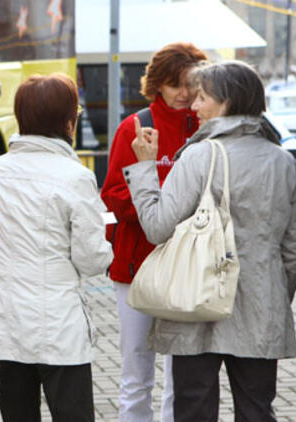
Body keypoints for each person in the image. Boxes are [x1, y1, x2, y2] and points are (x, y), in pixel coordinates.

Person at [126, 60, 296, 421]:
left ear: (228, 102)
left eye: (203, 97)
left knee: (193, 409)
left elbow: (158, 227)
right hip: (262, 307)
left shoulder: (199, 155)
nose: (194, 107)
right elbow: (294, 251)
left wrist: (145, 167)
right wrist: (272, 296)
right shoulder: (282, 161)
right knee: (257, 410)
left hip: (196, 304)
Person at [0, 73, 113, 422]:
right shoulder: (75, 176)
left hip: (6, 322)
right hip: (60, 327)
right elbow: (92, 259)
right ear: (69, 121)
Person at [100, 42, 207, 422]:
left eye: (191, 85)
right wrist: (156, 211)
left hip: (189, 269)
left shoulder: (206, 129)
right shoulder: (136, 126)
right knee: (136, 372)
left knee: (183, 378)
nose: (184, 94)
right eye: (174, 84)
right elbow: (111, 194)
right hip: (136, 267)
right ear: (157, 84)